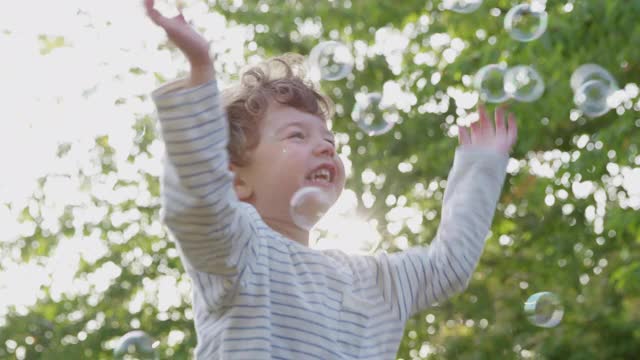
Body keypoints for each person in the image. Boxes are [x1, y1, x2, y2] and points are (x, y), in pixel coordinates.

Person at [143, 0, 518, 358]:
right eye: (297, 136)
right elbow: (199, 198)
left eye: (329, 140)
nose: (325, 147)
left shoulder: (373, 280)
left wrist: (481, 165)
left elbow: (447, 265)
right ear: (236, 181)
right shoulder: (241, 252)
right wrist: (200, 71)